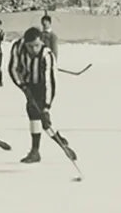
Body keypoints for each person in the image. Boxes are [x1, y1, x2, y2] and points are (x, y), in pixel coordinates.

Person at [8, 27, 73, 164]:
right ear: (25, 43)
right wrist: (23, 87)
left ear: (41, 42)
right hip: (28, 83)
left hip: (43, 86)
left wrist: (46, 107)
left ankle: (52, 142)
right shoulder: (17, 47)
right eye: (30, 46)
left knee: (42, 118)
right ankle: (37, 150)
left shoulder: (47, 55)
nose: (34, 49)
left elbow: (50, 83)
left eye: (37, 45)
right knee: (33, 114)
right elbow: (12, 68)